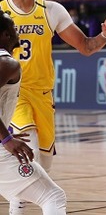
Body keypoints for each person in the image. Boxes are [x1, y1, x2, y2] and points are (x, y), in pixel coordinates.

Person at [0, 0, 106, 214]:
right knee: (27, 151)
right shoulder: (0, 13)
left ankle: (19, 200)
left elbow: (86, 47)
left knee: (42, 161)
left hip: (43, 95)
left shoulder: (51, 10)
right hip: (14, 91)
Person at [0, 13, 67, 214]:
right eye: (13, 26)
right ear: (5, 34)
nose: (17, 29)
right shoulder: (7, 63)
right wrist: (7, 139)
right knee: (53, 196)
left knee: (18, 193)